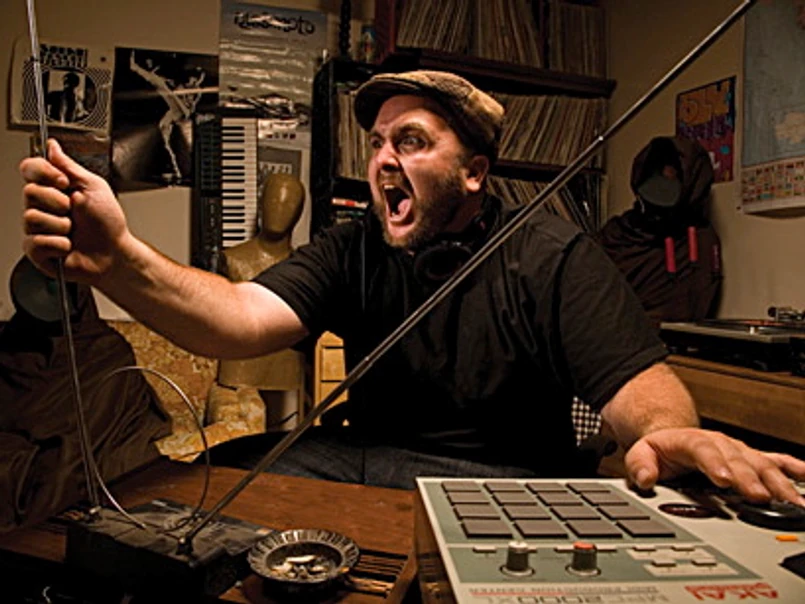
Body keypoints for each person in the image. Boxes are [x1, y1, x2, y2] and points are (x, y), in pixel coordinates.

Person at [19, 70, 805, 505]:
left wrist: (669, 433)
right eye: (376, 143)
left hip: (505, 483)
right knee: (197, 487)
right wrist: (119, 257)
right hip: (363, 462)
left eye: (412, 141)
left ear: (475, 172)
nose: (383, 160)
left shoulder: (553, 255)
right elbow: (237, 318)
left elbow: (643, 394)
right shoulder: (353, 244)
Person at [207, 174, 307, 433]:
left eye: (288, 204)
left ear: (299, 214)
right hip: (241, 361)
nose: (278, 210)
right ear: (261, 206)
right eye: (273, 201)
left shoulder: (304, 267)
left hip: (286, 359)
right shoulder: (233, 258)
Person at [595, 136, 722, 327]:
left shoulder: (699, 241)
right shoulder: (615, 234)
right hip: (612, 334)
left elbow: (692, 303)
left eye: (672, 174)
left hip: (668, 340)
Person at [129, 51, 206, 183]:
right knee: (164, 130)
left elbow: (190, 109)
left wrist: (180, 102)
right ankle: (176, 169)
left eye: (196, 79)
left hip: (184, 112)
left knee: (161, 86)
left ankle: (136, 68)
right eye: (193, 77)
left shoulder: (197, 91)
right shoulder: (180, 86)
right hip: (175, 112)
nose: (193, 81)